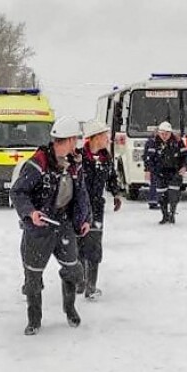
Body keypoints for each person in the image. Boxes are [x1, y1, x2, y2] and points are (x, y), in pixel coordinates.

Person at [10, 118, 91, 335]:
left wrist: (84, 219)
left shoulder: (74, 164)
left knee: (73, 269)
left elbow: (81, 194)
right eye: (74, 140)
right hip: (39, 228)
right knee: (33, 276)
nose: (76, 145)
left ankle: (70, 308)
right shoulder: (38, 163)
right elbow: (17, 192)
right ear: (66, 140)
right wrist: (31, 212)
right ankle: (34, 319)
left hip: (63, 225)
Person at [77, 120, 123, 300]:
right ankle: (79, 281)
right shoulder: (79, 156)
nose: (108, 140)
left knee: (94, 247)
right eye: (105, 136)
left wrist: (116, 194)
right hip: (78, 208)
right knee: (78, 245)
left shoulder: (106, 157)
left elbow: (111, 178)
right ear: (95, 137)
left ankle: (91, 286)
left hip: (96, 208)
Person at [143, 121, 187, 224]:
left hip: (175, 172)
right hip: (159, 172)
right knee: (161, 196)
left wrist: (184, 167)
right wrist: (147, 170)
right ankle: (165, 215)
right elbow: (147, 158)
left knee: (173, 194)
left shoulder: (178, 141)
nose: (164, 136)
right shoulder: (152, 142)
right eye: (162, 133)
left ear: (170, 133)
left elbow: (185, 156)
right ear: (158, 132)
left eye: (166, 134)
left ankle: (172, 214)